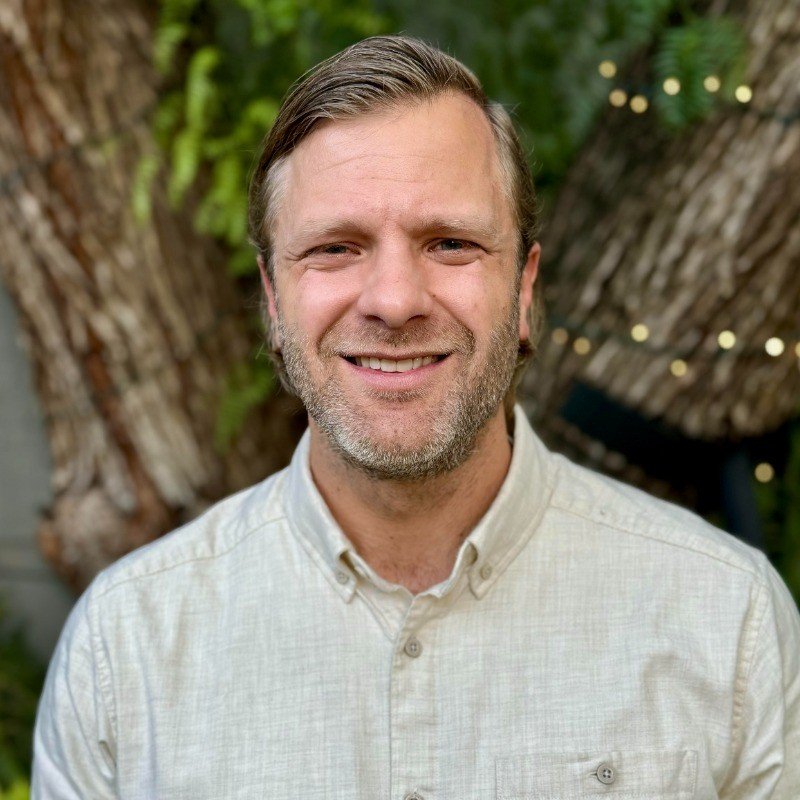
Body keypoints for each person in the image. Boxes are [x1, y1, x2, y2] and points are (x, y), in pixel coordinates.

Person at [32, 35, 799, 800]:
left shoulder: (724, 618)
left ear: (525, 291)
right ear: (273, 301)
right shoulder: (126, 648)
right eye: (336, 248)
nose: (394, 300)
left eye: (451, 243)